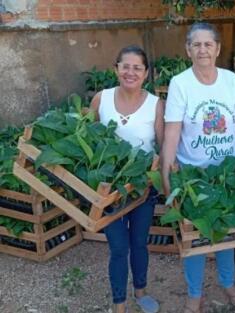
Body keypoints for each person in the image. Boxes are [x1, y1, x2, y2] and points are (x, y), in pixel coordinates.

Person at [160, 22, 235, 313]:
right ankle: (195, 293)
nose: (203, 49)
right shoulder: (180, 83)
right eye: (197, 44)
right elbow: (172, 130)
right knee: (195, 236)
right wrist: (167, 169)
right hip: (194, 176)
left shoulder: (231, 81)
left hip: (227, 173)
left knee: (227, 233)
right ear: (188, 50)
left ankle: (227, 282)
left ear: (218, 49)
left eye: (208, 44)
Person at [90, 45, 164, 313]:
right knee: (119, 247)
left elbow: (162, 148)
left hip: (142, 189)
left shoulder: (156, 105)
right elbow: (88, 137)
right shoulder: (102, 99)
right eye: (125, 66)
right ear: (116, 69)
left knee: (139, 243)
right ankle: (119, 303)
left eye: (137, 68)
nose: (130, 72)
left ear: (146, 73)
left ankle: (141, 291)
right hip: (110, 189)